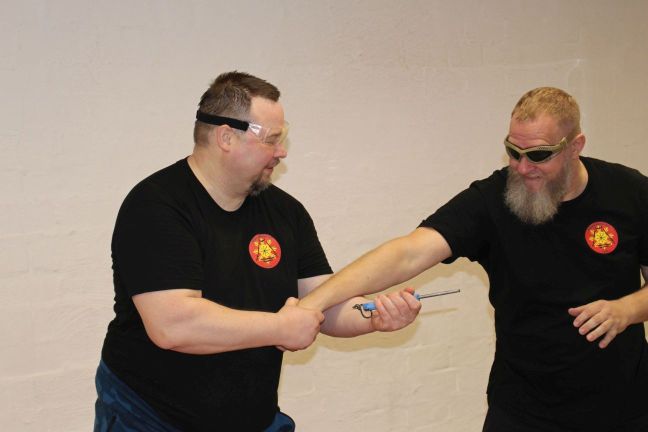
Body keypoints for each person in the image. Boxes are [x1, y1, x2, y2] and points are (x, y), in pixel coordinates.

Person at [300, 87, 648, 431]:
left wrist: (626, 310)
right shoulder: (493, 198)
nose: (523, 167)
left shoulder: (629, 192)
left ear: (575, 146)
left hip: (625, 408)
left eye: (539, 155)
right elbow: (408, 253)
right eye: (513, 152)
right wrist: (311, 305)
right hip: (523, 409)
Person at [94, 71, 421, 432]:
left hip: (251, 417)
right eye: (272, 140)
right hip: (150, 416)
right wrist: (280, 327)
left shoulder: (285, 212)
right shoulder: (157, 206)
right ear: (226, 137)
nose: (282, 152)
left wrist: (372, 316)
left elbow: (322, 303)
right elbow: (174, 326)